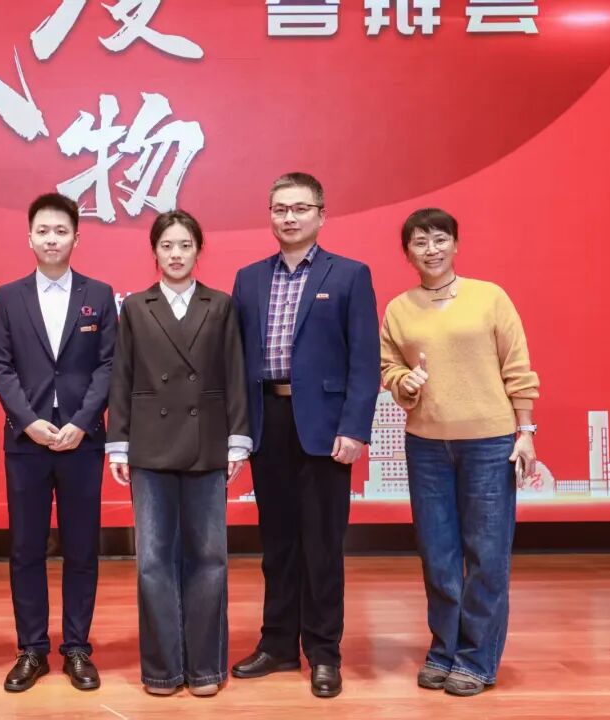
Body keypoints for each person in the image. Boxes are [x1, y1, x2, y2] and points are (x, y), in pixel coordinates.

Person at [229, 172, 380, 698]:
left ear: (321, 214)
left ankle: (323, 651)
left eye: (299, 208)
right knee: (276, 544)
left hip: (325, 428)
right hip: (267, 421)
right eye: (280, 209)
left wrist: (354, 427)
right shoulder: (249, 279)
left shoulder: (349, 275)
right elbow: (236, 362)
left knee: (322, 545)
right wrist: (239, 430)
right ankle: (276, 644)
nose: (289, 217)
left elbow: (365, 360)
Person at [380, 208, 539, 697]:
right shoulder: (398, 308)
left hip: (489, 442)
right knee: (438, 554)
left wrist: (525, 430)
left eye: (440, 239)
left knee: (486, 554)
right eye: (420, 242)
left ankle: (476, 659)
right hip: (426, 444)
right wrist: (403, 381)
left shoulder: (489, 297)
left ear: (456, 244)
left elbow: (518, 366)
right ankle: (444, 650)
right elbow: (389, 367)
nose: (431, 249)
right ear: (407, 252)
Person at [106, 209, 251, 697]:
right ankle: (163, 669)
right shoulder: (135, 306)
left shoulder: (220, 304)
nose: (175, 254)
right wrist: (118, 444)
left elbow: (233, 373)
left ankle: (206, 668)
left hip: (207, 442)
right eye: (167, 245)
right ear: (154, 251)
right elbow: (122, 377)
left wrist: (237, 438)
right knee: (152, 561)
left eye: (185, 245)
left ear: (198, 250)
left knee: (209, 557)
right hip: (150, 446)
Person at [0, 193, 116, 692]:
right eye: (43, 231)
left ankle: (77, 647)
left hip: (83, 439)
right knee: (25, 548)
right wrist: (28, 420)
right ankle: (32, 649)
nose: (52, 239)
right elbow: (0, 363)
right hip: (28, 442)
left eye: (61, 231)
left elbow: (108, 364)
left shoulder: (99, 294)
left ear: (76, 237)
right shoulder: (8, 296)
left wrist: (83, 421)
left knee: (82, 547)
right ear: (29, 237)